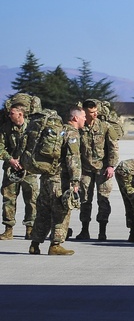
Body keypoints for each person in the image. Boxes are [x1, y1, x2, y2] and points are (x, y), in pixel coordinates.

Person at [28, 107, 85, 256]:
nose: (85, 119)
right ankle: (56, 245)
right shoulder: (71, 133)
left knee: (43, 212)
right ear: (75, 118)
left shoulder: (58, 131)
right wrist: (75, 181)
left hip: (47, 177)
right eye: (83, 116)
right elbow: (73, 159)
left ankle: (35, 244)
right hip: (60, 180)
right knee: (62, 211)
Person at [76, 98, 120, 241]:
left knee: (103, 200)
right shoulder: (79, 127)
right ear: (84, 112)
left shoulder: (105, 126)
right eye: (91, 112)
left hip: (102, 169)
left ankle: (102, 231)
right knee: (85, 200)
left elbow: (113, 147)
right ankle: (84, 230)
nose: (95, 114)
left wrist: (111, 166)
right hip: (85, 170)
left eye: (96, 112)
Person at [1, 97, 38, 240]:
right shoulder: (6, 128)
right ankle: (8, 229)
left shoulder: (32, 127)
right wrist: (9, 159)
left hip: (29, 170)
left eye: (12, 114)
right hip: (11, 170)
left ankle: (30, 229)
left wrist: (27, 161)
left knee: (31, 199)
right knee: (8, 199)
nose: (9, 116)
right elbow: (0, 146)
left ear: (20, 114)